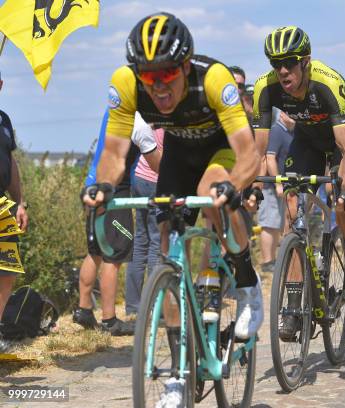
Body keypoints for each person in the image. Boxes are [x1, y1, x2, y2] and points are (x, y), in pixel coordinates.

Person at [83, 15, 263, 400]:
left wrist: (235, 186)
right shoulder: (125, 83)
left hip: (223, 145)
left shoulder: (213, 79)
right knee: (167, 251)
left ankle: (248, 288)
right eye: (149, 77)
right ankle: (178, 374)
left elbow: (250, 154)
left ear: (185, 66)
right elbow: (114, 154)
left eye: (166, 74)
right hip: (180, 151)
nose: (159, 85)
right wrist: (102, 187)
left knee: (210, 191)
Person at [252, 26, 345, 339]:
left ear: (305, 61)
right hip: (307, 140)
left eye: (290, 62)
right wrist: (251, 186)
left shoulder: (326, 82)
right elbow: (257, 150)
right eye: (276, 64)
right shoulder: (266, 87)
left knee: (337, 197)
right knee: (291, 206)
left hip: (341, 138)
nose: (283, 70)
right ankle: (291, 306)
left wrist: (343, 188)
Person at [73, 111, 160, 336]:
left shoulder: (114, 109)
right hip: (115, 191)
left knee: (95, 252)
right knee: (114, 255)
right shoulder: (138, 122)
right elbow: (156, 163)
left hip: (93, 184)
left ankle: (83, 309)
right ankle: (109, 320)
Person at [0, 77, 28, 352]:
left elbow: (10, 161)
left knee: (7, 272)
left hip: (2, 206)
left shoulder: (3, 119)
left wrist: (20, 202)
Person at [124, 128, 164, 317]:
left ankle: (133, 305)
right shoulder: (171, 117)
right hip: (157, 181)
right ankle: (155, 303)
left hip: (139, 178)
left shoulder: (148, 114)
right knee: (157, 242)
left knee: (140, 242)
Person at [258, 109, 295, 273]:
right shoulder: (277, 131)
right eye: (289, 113)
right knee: (269, 223)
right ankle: (267, 262)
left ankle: (272, 260)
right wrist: (277, 182)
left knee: (276, 223)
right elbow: (270, 157)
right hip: (270, 187)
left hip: (281, 187)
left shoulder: (289, 132)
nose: (293, 117)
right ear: (281, 115)